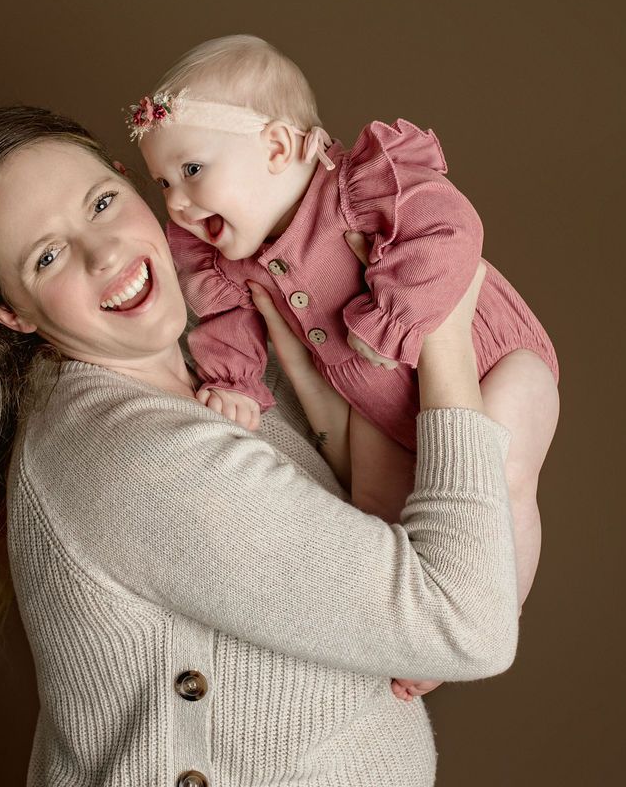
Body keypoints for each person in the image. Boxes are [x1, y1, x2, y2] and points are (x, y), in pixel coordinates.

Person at [0, 105, 518, 786]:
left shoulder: (219, 377)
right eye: (48, 256)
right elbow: (466, 621)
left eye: (101, 202)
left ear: (133, 184)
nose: (106, 253)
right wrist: (438, 321)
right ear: (6, 313)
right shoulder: (134, 454)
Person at [131, 35, 560, 698]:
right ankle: (420, 631)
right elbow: (224, 321)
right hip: (380, 409)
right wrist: (234, 383)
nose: (177, 203)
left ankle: (488, 615)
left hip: (497, 361)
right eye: (162, 183)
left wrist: (398, 313)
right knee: (375, 517)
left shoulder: (359, 188)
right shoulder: (230, 259)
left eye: (191, 171)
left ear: (276, 148)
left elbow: (451, 228)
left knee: (498, 476)